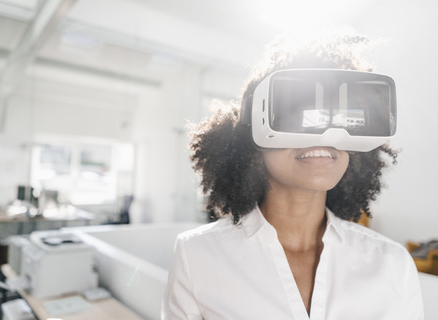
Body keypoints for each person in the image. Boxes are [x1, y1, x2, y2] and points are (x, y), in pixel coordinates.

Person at [161, 34, 424, 320]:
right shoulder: (196, 255)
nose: (324, 135)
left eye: (339, 116)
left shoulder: (393, 263)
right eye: (300, 114)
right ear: (252, 136)